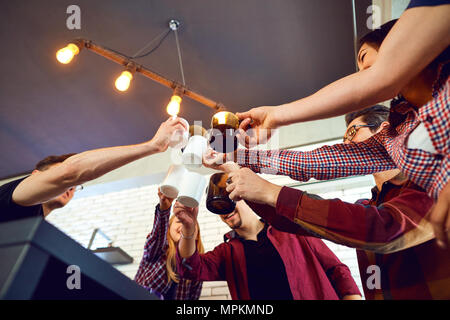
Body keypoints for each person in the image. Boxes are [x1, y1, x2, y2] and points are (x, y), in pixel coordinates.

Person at [214, 17, 450, 248]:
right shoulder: (398, 135)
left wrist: (270, 190)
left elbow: (384, 229)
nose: (363, 78)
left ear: (402, 40)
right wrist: (236, 157)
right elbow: (319, 161)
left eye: (366, 61)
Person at [223, 105, 450, 299]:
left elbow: (382, 228)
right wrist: (237, 167)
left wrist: (271, 192)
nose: (346, 143)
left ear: (383, 132)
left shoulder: (432, 182)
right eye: (343, 139)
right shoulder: (367, 205)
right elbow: (296, 220)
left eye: (352, 132)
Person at [0, 117, 187, 221]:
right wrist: (153, 146)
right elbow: (69, 173)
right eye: (70, 184)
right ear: (35, 176)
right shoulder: (14, 195)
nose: (71, 188)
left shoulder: (35, 224)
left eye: (74, 186)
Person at [174, 198, 362, 300]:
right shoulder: (226, 253)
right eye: (219, 208)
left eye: (229, 201)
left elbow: (336, 269)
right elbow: (190, 268)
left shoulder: (292, 230)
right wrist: (189, 228)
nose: (225, 211)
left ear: (245, 198)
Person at [134, 188, 204, 300]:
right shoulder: (158, 250)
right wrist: (164, 209)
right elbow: (157, 235)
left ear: (196, 236)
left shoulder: (197, 268)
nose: (183, 227)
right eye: (179, 221)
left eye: (189, 226)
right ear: (169, 228)